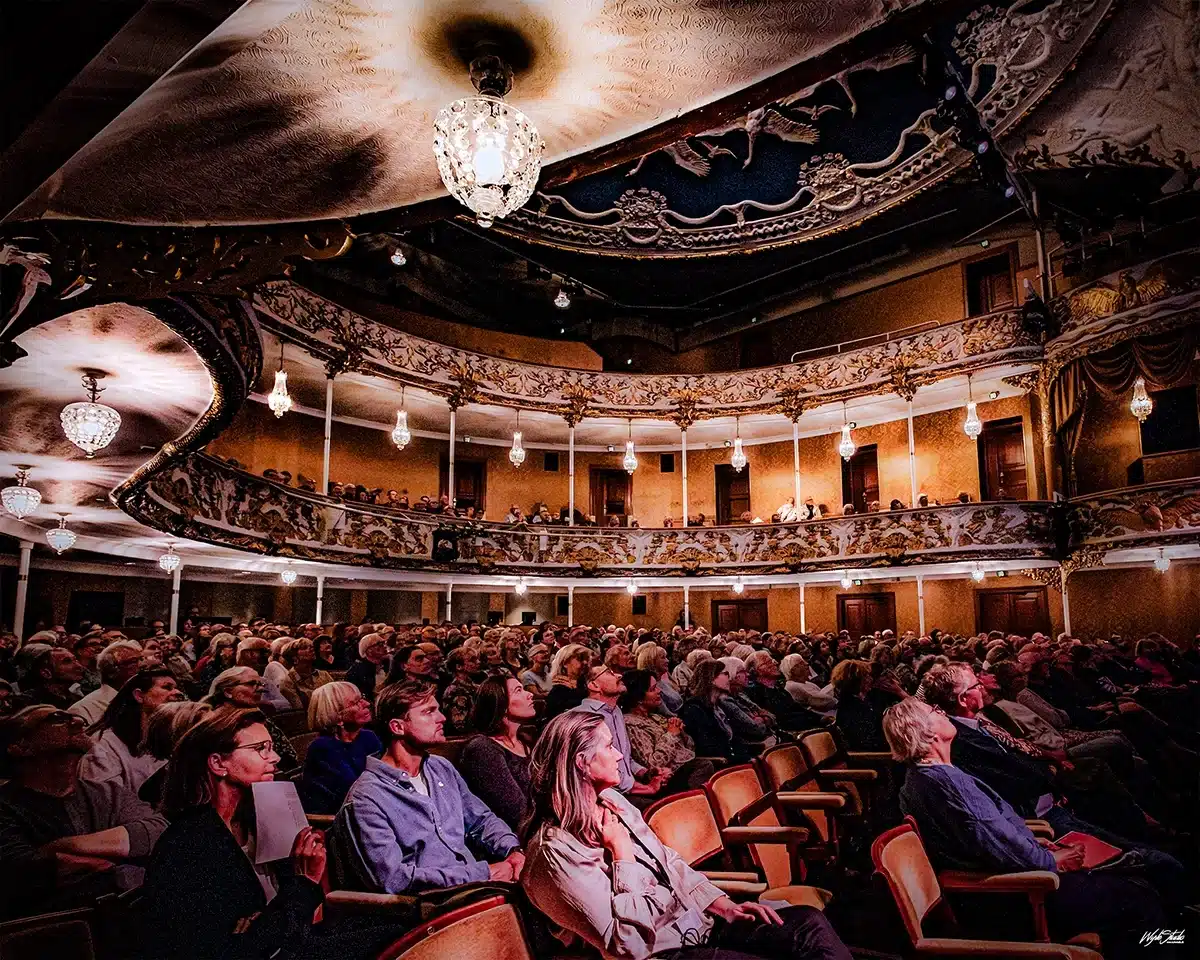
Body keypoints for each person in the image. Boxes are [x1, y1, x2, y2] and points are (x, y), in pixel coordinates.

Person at [521, 711, 853, 960]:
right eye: (609, 746)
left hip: (696, 924)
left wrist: (723, 906)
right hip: (662, 950)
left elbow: (670, 863)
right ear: (582, 763)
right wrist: (622, 855)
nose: (620, 754)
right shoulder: (554, 854)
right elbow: (629, 944)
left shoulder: (611, 801)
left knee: (807, 924)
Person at [884, 697, 1167, 957]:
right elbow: (991, 839)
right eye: (934, 711)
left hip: (1012, 880)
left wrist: (1031, 840)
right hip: (1017, 895)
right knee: (1140, 896)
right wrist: (1052, 860)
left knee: (1134, 881)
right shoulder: (946, 784)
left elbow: (988, 836)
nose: (942, 711)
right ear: (925, 732)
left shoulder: (926, 777)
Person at [140, 707, 402, 960]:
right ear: (218, 763)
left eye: (271, 747)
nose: (275, 757)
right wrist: (304, 880)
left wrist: (273, 912)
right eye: (260, 748)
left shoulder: (264, 811)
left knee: (397, 933)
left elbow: (293, 921)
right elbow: (239, 949)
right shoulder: (189, 846)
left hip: (289, 942)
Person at [329, 680, 524, 893]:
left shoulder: (440, 768)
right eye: (429, 712)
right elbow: (394, 879)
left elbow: (481, 820)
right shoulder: (367, 798)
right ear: (397, 727)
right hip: (429, 903)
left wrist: (513, 850)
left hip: (475, 889)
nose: (442, 718)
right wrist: (482, 874)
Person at [0, 705, 168, 919]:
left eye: (77, 718)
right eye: (57, 718)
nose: (78, 722)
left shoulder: (109, 793)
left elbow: (158, 831)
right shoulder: (6, 806)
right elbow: (27, 869)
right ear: (20, 746)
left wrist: (63, 846)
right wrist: (120, 862)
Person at [80, 668, 186, 793]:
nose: (178, 692)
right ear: (139, 696)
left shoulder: (170, 736)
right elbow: (106, 798)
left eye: (177, 688)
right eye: (167, 687)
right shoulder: (104, 746)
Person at [571, 664, 667, 801]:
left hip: (626, 790)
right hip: (604, 797)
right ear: (594, 685)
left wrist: (645, 773)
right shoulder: (583, 717)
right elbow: (599, 774)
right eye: (609, 673)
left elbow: (624, 758)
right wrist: (647, 788)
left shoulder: (615, 711)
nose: (619, 675)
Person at [459, 675, 537, 833]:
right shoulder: (482, 749)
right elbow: (517, 812)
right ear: (501, 704)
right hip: (513, 836)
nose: (530, 694)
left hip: (544, 828)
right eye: (518, 690)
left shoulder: (527, 742)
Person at [619, 670, 714, 793]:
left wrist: (680, 731)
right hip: (667, 779)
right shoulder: (632, 724)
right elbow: (653, 764)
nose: (659, 691)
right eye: (653, 689)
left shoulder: (655, 717)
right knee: (704, 766)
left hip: (685, 767)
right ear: (639, 699)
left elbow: (689, 748)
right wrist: (671, 735)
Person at [302, 681, 382, 815]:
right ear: (338, 718)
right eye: (356, 703)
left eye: (362, 698)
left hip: (370, 808)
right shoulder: (322, 748)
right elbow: (354, 790)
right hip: (340, 817)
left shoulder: (368, 737)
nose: (367, 704)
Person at [205, 667, 301, 774]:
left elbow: (289, 757)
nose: (261, 689)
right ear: (228, 692)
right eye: (252, 684)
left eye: (260, 684)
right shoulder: (213, 725)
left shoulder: (258, 718)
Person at [679, 659, 752, 764]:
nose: (729, 678)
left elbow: (734, 740)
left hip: (734, 760)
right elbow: (708, 748)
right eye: (725, 673)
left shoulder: (719, 707)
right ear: (711, 678)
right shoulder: (693, 709)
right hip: (720, 765)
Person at [830, 659, 888, 751]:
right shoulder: (850, 708)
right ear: (856, 681)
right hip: (871, 756)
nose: (871, 679)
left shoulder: (866, 700)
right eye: (867, 676)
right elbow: (867, 742)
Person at [278, 638, 333, 711]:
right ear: (294, 658)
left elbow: (335, 700)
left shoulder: (324, 675)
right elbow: (299, 709)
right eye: (304, 648)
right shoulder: (287, 682)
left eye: (311, 646)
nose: (311, 649)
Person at [26, 646, 85, 710]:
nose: (79, 666)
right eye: (67, 662)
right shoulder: (31, 701)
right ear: (46, 673)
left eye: (75, 660)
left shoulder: (77, 694)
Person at [439, 646, 482, 735]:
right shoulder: (456, 691)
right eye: (472, 660)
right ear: (459, 667)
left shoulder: (474, 686)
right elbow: (460, 726)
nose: (478, 662)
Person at [545, 642, 591, 719]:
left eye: (586, 659)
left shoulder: (584, 683)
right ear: (565, 663)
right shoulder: (558, 690)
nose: (585, 662)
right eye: (580, 659)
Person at [635, 642, 682, 715]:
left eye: (666, 657)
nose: (667, 661)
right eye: (663, 658)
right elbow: (666, 714)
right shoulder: (650, 688)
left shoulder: (665, 682)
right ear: (651, 661)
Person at [344, 633, 389, 705]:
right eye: (380, 645)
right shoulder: (357, 671)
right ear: (369, 650)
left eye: (384, 644)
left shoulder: (389, 665)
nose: (385, 647)